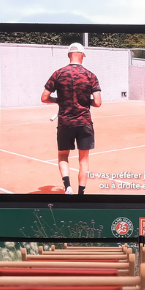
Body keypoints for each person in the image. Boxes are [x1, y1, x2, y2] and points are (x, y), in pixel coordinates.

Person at [40, 42, 101, 195]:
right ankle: (81, 192)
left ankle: (68, 187)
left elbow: (44, 97)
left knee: (62, 155)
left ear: (69, 55)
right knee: (84, 159)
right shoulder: (90, 75)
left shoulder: (58, 74)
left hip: (65, 122)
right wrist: (87, 102)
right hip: (84, 122)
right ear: (83, 55)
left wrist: (58, 100)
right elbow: (98, 102)